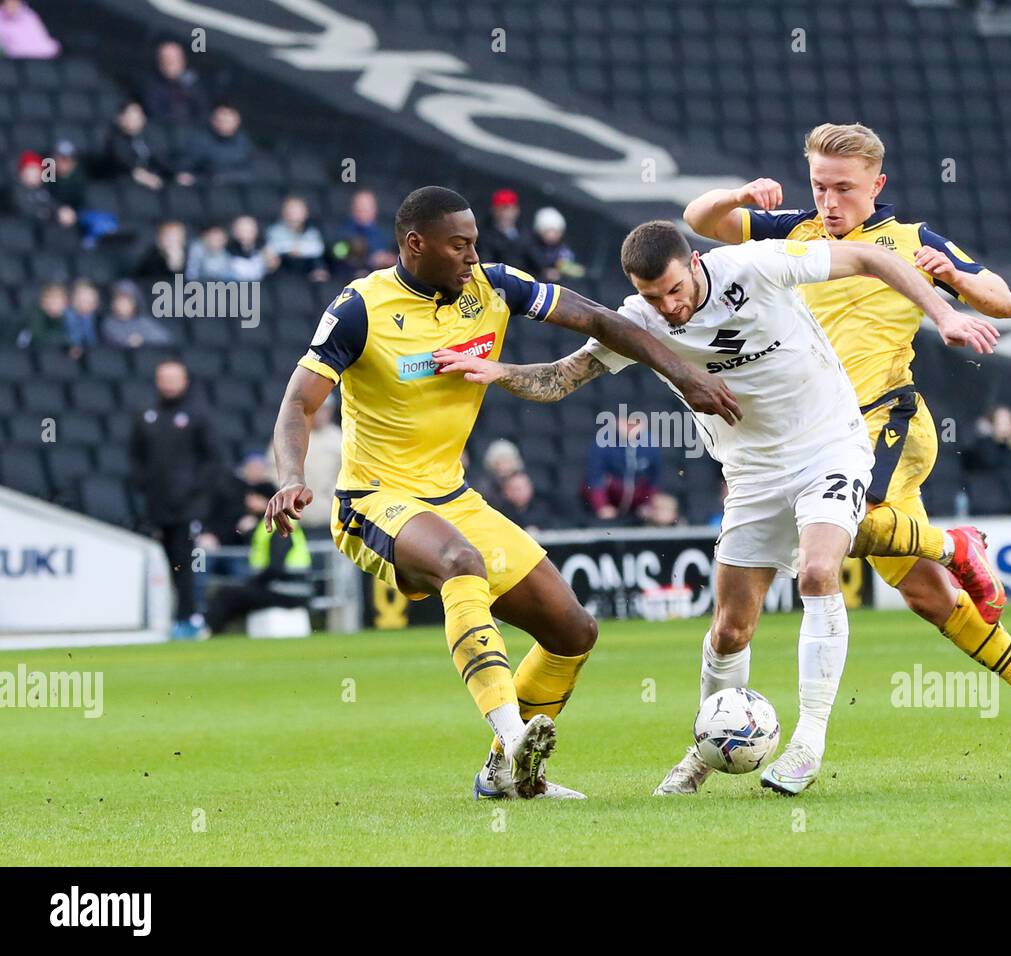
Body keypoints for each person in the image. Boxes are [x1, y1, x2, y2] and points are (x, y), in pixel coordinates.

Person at [437, 219, 980, 797]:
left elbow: (875, 259)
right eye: (652, 297)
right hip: (750, 474)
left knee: (820, 572)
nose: (668, 308)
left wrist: (944, 314)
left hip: (829, 446)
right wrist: (498, 374)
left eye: (674, 290)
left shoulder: (756, 265)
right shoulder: (641, 320)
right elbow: (563, 377)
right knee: (729, 630)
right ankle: (702, 752)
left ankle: (808, 743)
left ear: (694, 263)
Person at [263, 186, 740, 801]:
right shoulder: (360, 307)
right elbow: (297, 404)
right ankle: (515, 739)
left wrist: (684, 374)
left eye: (475, 243)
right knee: (460, 564)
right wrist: (292, 479)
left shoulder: (496, 286)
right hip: (373, 498)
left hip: (452, 496)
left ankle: (500, 776)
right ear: (415, 244)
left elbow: (601, 321)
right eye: (459, 245)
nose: (471, 256)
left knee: (573, 632)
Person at [683, 122, 1011, 772]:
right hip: (819, 436)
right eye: (819, 186)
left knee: (833, 533)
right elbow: (698, 220)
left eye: (843, 188)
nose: (829, 201)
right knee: (931, 598)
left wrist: (953, 274)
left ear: (878, 184)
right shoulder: (792, 231)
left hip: (884, 423)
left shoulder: (910, 240)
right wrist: (738, 196)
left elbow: (1004, 301)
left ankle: (959, 545)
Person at [129, 359, 223, 639]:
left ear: (184, 380)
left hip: (188, 508)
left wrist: (193, 490)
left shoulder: (197, 416)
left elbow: (213, 460)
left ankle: (190, 617)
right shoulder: (146, 415)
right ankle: (173, 616)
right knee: (167, 563)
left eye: (174, 377)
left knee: (187, 561)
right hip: (157, 506)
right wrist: (143, 484)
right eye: (164, 378)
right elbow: (136, 457)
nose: (169, 383)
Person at [205, 504, 313, 635]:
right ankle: (214, 631)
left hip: (284, 591)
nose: (248, 501)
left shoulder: (278, 524)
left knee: (225, 596)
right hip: (289, 590)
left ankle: (207, 631)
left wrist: (253, 583)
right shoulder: (281, 523)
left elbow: (275, 567)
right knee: (234, 596)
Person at [264, 393, 341, 531]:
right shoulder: (291, 434)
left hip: (330, 515)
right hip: (295, 515)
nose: (322, 414)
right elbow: (273, 469)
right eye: (319, 408)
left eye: (326, 410)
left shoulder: (339, 438)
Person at [583, 417, 660, 521]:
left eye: (635, 424)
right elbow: (595, 478)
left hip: (637, 503)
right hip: (610, 500)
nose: (631, 429)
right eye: (626, 424)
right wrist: (601, 506)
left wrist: (649, 504)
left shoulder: (651, 444)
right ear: (617, 423)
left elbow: (654, 479)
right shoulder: (603, 442)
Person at [98, 100, 171, 191]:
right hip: (122, 187)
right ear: (121, 117)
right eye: (134, 114)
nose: (140, 118)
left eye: (140, 114)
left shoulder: (143, 140)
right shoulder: (114, 140)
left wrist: (174, 175)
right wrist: (140, 174)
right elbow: (123, 163)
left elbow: (157, 160)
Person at [176, 104, 253, 185]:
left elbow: (248, 169)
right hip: (207, 186)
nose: (224, 124)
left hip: (236, 185)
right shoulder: (200, 141)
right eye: (221, 121)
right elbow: (186, 169)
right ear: (213, 121)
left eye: (228, 121)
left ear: (237, 121)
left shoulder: (242, 140)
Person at [142, 41, 209, 125]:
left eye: (173, 59)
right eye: (165, 59)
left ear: (182, 60)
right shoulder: (152, 86)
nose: (169, 63)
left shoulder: (195, 85)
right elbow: (154, 113)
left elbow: (203, 113)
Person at [333, 189, 397, 271]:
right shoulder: (342, 232)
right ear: (352, 209)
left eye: (367, 207)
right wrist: (370, 260)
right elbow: (338, 255)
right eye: (359, 207)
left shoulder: (387, 230)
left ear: (375, 209)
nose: (363, 211)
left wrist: (391, 258)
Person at [265, 195, 327, 279]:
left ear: (306, 213)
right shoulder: (275, 231)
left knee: (320, 270)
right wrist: (293, 250)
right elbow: (272, 250)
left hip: (306, 268)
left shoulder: (312, 232)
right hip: (283, 268)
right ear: (284, 212)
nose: (294, 213)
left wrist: (298, 250)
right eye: (291, 210)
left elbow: (318, 249)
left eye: (298, 210)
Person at [101, 280, 173, 349]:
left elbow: (165, 338)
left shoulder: (144, 320)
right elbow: (117, 342)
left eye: (127, 300)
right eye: (119, 300)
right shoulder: (109, 323)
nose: (122, 304)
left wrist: (143, 340)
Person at [475, 188, 532, 268]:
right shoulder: (484, 236)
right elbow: (486, 262)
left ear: (516, 210)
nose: (505, 214)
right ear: (493, 211)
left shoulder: (526, 235)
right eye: (500, 210)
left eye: (509, 209)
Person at [527, 207, 583, 282]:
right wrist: (544, 273)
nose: (552, 235)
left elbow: (576, 271)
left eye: (556, 232)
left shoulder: (563, 250)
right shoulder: (529, 246)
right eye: (549, 231)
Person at [228, 214, 279, 281]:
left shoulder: (266, 247)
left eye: (249, 230)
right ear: (234, 232)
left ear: (256, 230)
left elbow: (273, 268)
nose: (245, 234)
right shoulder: (227, 251)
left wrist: (271, 263)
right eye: (241, 230)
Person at [63, 279, 100, 357]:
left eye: (89, 302)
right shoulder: (66, 316)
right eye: (81, 301)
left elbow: (92, 340)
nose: (84, 305)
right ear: (72, 300)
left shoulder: (95, 318)